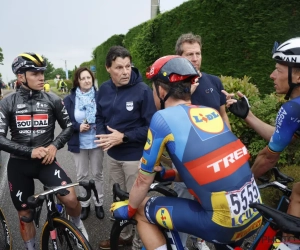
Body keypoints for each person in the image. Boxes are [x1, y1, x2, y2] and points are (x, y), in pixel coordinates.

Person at [110, 55, 263, 250]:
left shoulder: (162, 119)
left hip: (221, 222)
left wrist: (129, 209)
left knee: (140, 209)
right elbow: (206, 169)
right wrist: (169, 174)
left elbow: (142, 181)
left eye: (153, 88)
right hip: (255, 212)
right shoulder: (211, 113)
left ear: (162, 90)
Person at [2, 52, 88, 250]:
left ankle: (78, 226)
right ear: (21, 76)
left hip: (46, 162)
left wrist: (53, 146)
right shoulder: (8, 102)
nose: (41, 77)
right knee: (25, 214)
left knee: (71, 198)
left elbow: (68, 127)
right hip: (19, 165)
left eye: (42, 72)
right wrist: (28, 152)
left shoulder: (52, 99)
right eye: (35, 73)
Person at [223, 37, 300, 250]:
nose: (272, 75)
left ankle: (291, 247)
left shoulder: (293, 108)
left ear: (298, 75)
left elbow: (269, 156)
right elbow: (283, 137)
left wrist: (246, 182)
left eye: (278, 70)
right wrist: (248, 116)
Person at [95, 45, 157, 249]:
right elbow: (99, 117)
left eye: (128, 66)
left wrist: (124, 137)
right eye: (119, 67)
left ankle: (140, 243)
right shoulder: (103, 89)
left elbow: (151, 127)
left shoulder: (142, 91)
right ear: (108, 68)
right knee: (120, 198)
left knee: (136, 202)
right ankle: (125, 236)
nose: (125, 72)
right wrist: (103, 135)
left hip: (134, 157)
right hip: (112, 156)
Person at [174, 32, 231, 249]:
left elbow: (223, 115)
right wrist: (186, 94)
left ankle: (201, 241)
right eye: (190, 54)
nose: (196, 58)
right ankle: (180, 242)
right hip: (187, 159)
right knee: (185, 205)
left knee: (213, 205)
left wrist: (230, 143)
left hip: (215, 157)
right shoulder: (173, 85)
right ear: (180, 57)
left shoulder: (214, 81)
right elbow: (168, 120)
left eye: (198, 53)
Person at [64, 67, 105, 221]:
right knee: (82, 175)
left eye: (89, 77)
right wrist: (77, 126)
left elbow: (105, 116)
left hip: (96, 141)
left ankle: (99, 203)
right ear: (78, 81)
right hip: (79, 143)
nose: (87, 81)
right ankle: (85, 204)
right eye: (83, 78)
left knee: (97, 174)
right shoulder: (70, 99)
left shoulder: (100, 96)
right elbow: (66, 122)